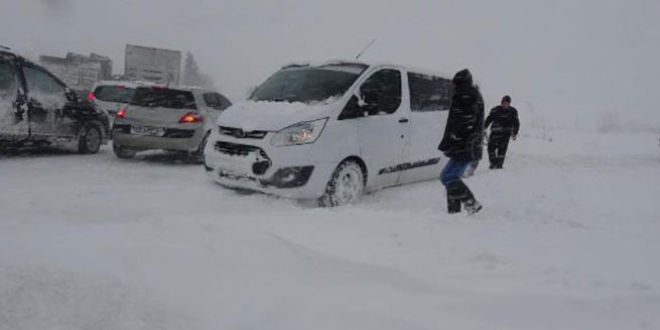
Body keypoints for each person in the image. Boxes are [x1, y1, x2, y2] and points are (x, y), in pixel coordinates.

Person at [438, 69, 484, 215]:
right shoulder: (471, 94)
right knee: (452, 177)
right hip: (468, 145)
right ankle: (454, 212)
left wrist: (455, 138)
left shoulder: (466, 95)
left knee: (447, 177)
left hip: (464, 146)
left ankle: (471, 203)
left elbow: (464, 122)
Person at [484, 95, 520, 169]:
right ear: (501, 102)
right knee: (491, 148)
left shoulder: (513, 111)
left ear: (509, 104)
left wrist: (514, 132)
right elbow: (488, 119)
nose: (505, 105)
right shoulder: (495, 110)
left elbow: (516, 123)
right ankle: (493, 163)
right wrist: (483, 128)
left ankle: (499, 165)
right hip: (495, 132)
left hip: (505, 133)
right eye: (504, 103)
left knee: (502, 149)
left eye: (507, 103)